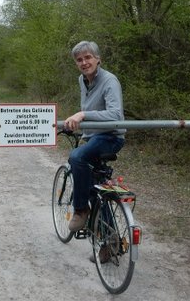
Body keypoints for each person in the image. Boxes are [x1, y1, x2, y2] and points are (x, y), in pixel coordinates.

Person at [64, 41, 125, 240]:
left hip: (110, 137)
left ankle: (81, 211)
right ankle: (110, 241)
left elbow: (115, 115)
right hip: (93, 137)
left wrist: (83, 114)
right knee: (92, 186)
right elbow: (89, 108)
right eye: (79, 59)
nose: (84, 62)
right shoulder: (82, 80)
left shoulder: (110, 81)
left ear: (98, 59)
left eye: (88, 57)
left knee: (77, 157)